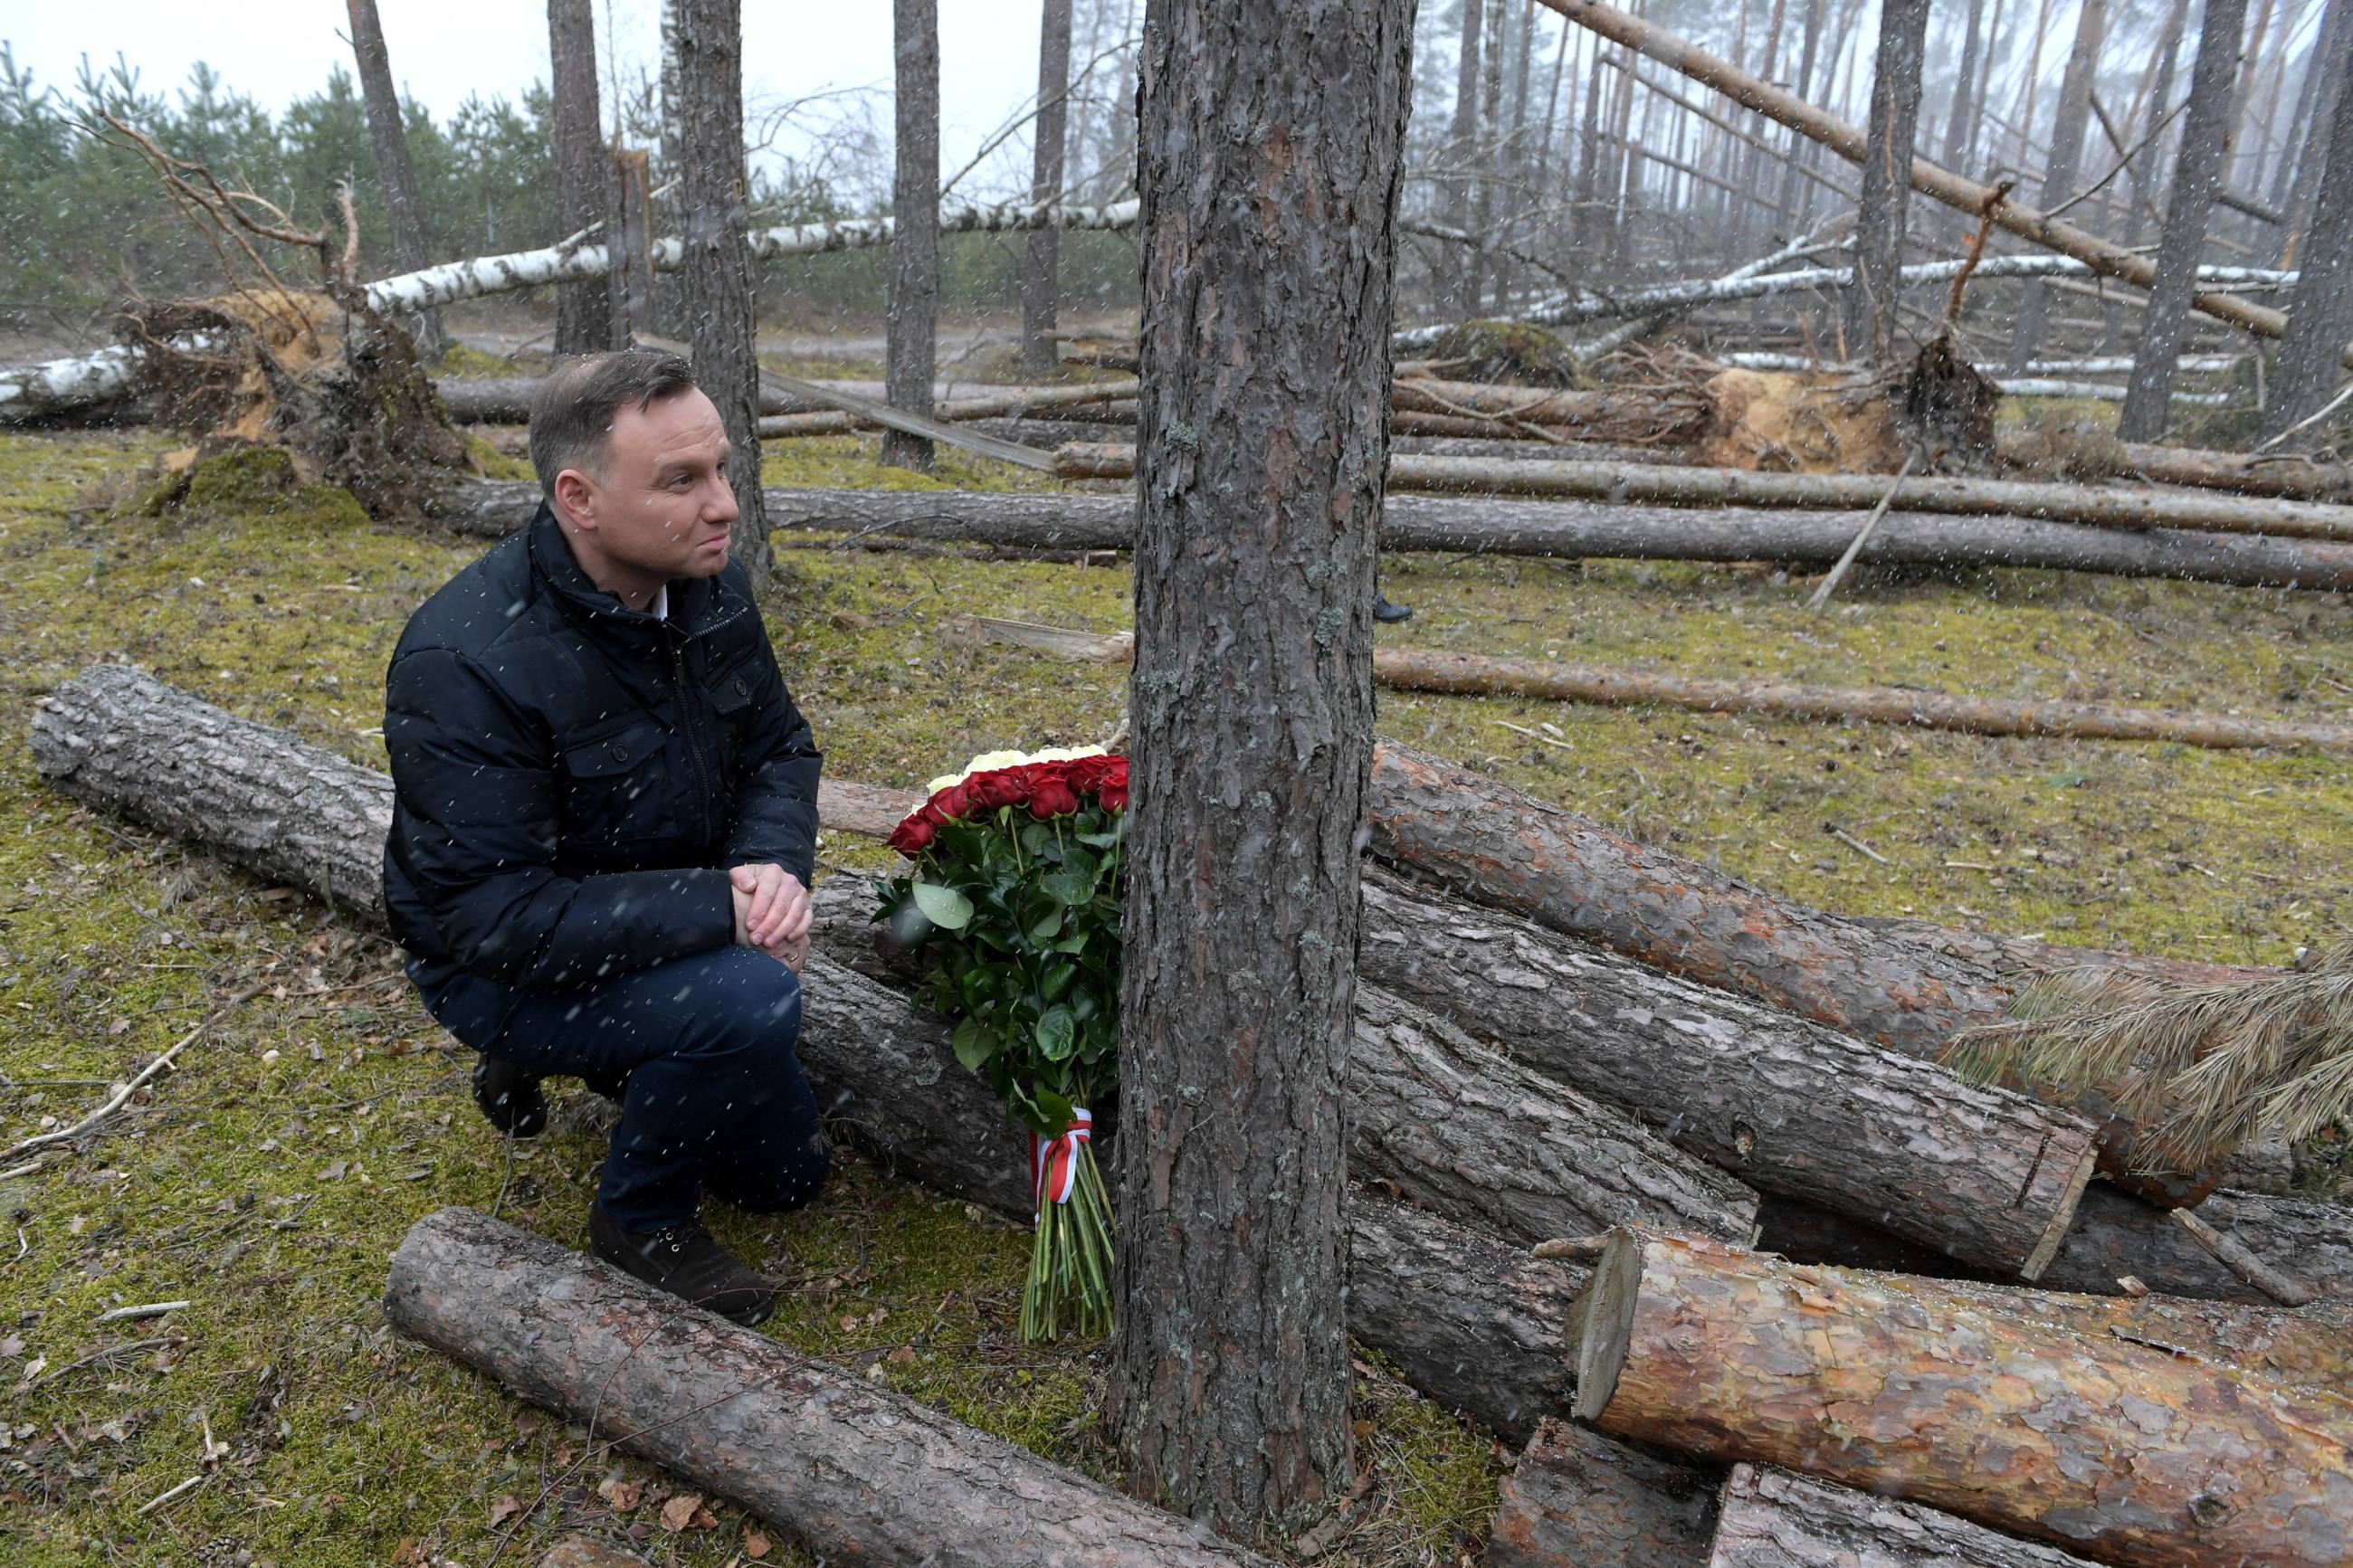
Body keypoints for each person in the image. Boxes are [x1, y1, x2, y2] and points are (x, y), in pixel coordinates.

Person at [382, 349, 826, 1326]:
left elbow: (777, 747)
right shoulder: (464, 659)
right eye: (682, 480)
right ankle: (640, 1219)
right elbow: (493, 920)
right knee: (752, 996)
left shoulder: (706, 588)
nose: (724, 505)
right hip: (501, 968)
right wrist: (724, 907)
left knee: (788, 1178)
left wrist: (769, 868)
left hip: (652, 911)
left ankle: (622, 1049)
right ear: (578, 497)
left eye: (720, 469)